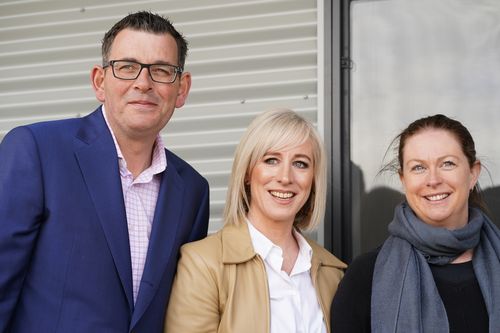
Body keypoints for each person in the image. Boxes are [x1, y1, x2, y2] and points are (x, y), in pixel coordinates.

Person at [0, 11, 209, 333]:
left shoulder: (193, 190)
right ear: (100, 81)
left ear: (181, 89)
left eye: (161, 71)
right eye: (127, 67)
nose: (143, 83)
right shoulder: (36, 151)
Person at [165, 108, 346, 333]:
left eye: (300, 164)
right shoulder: (203, 264)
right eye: (271, 160)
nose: (285, 177)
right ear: (248, 173)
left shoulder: (332, 272)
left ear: (314, 180)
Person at [331, 114, 500, 333]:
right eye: (418, 168)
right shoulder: (364, 278)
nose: (433, 180)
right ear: (403, 180)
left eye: (447, 163)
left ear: (473, 173)